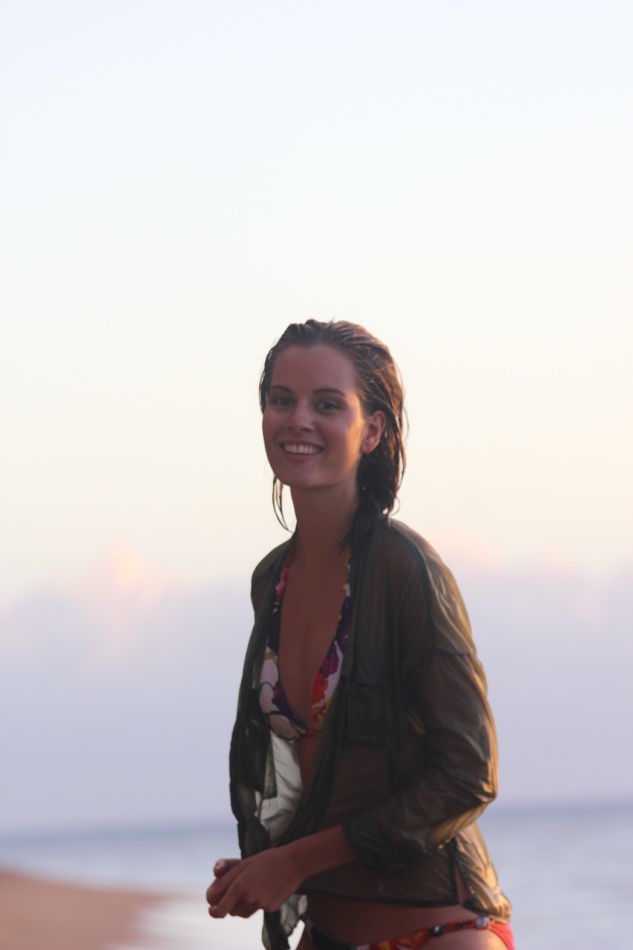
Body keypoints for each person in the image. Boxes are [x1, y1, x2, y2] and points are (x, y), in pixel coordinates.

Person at [206, 320, 513, 949]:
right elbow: (321, 780)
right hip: (326, 932)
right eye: (282, 399)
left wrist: (295, 861)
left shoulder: (405, 568)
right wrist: (265, 865)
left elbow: (468, 772)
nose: (298, 419)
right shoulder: (272, 580)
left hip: (437, 931)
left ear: (372, 431)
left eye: (327, 404)